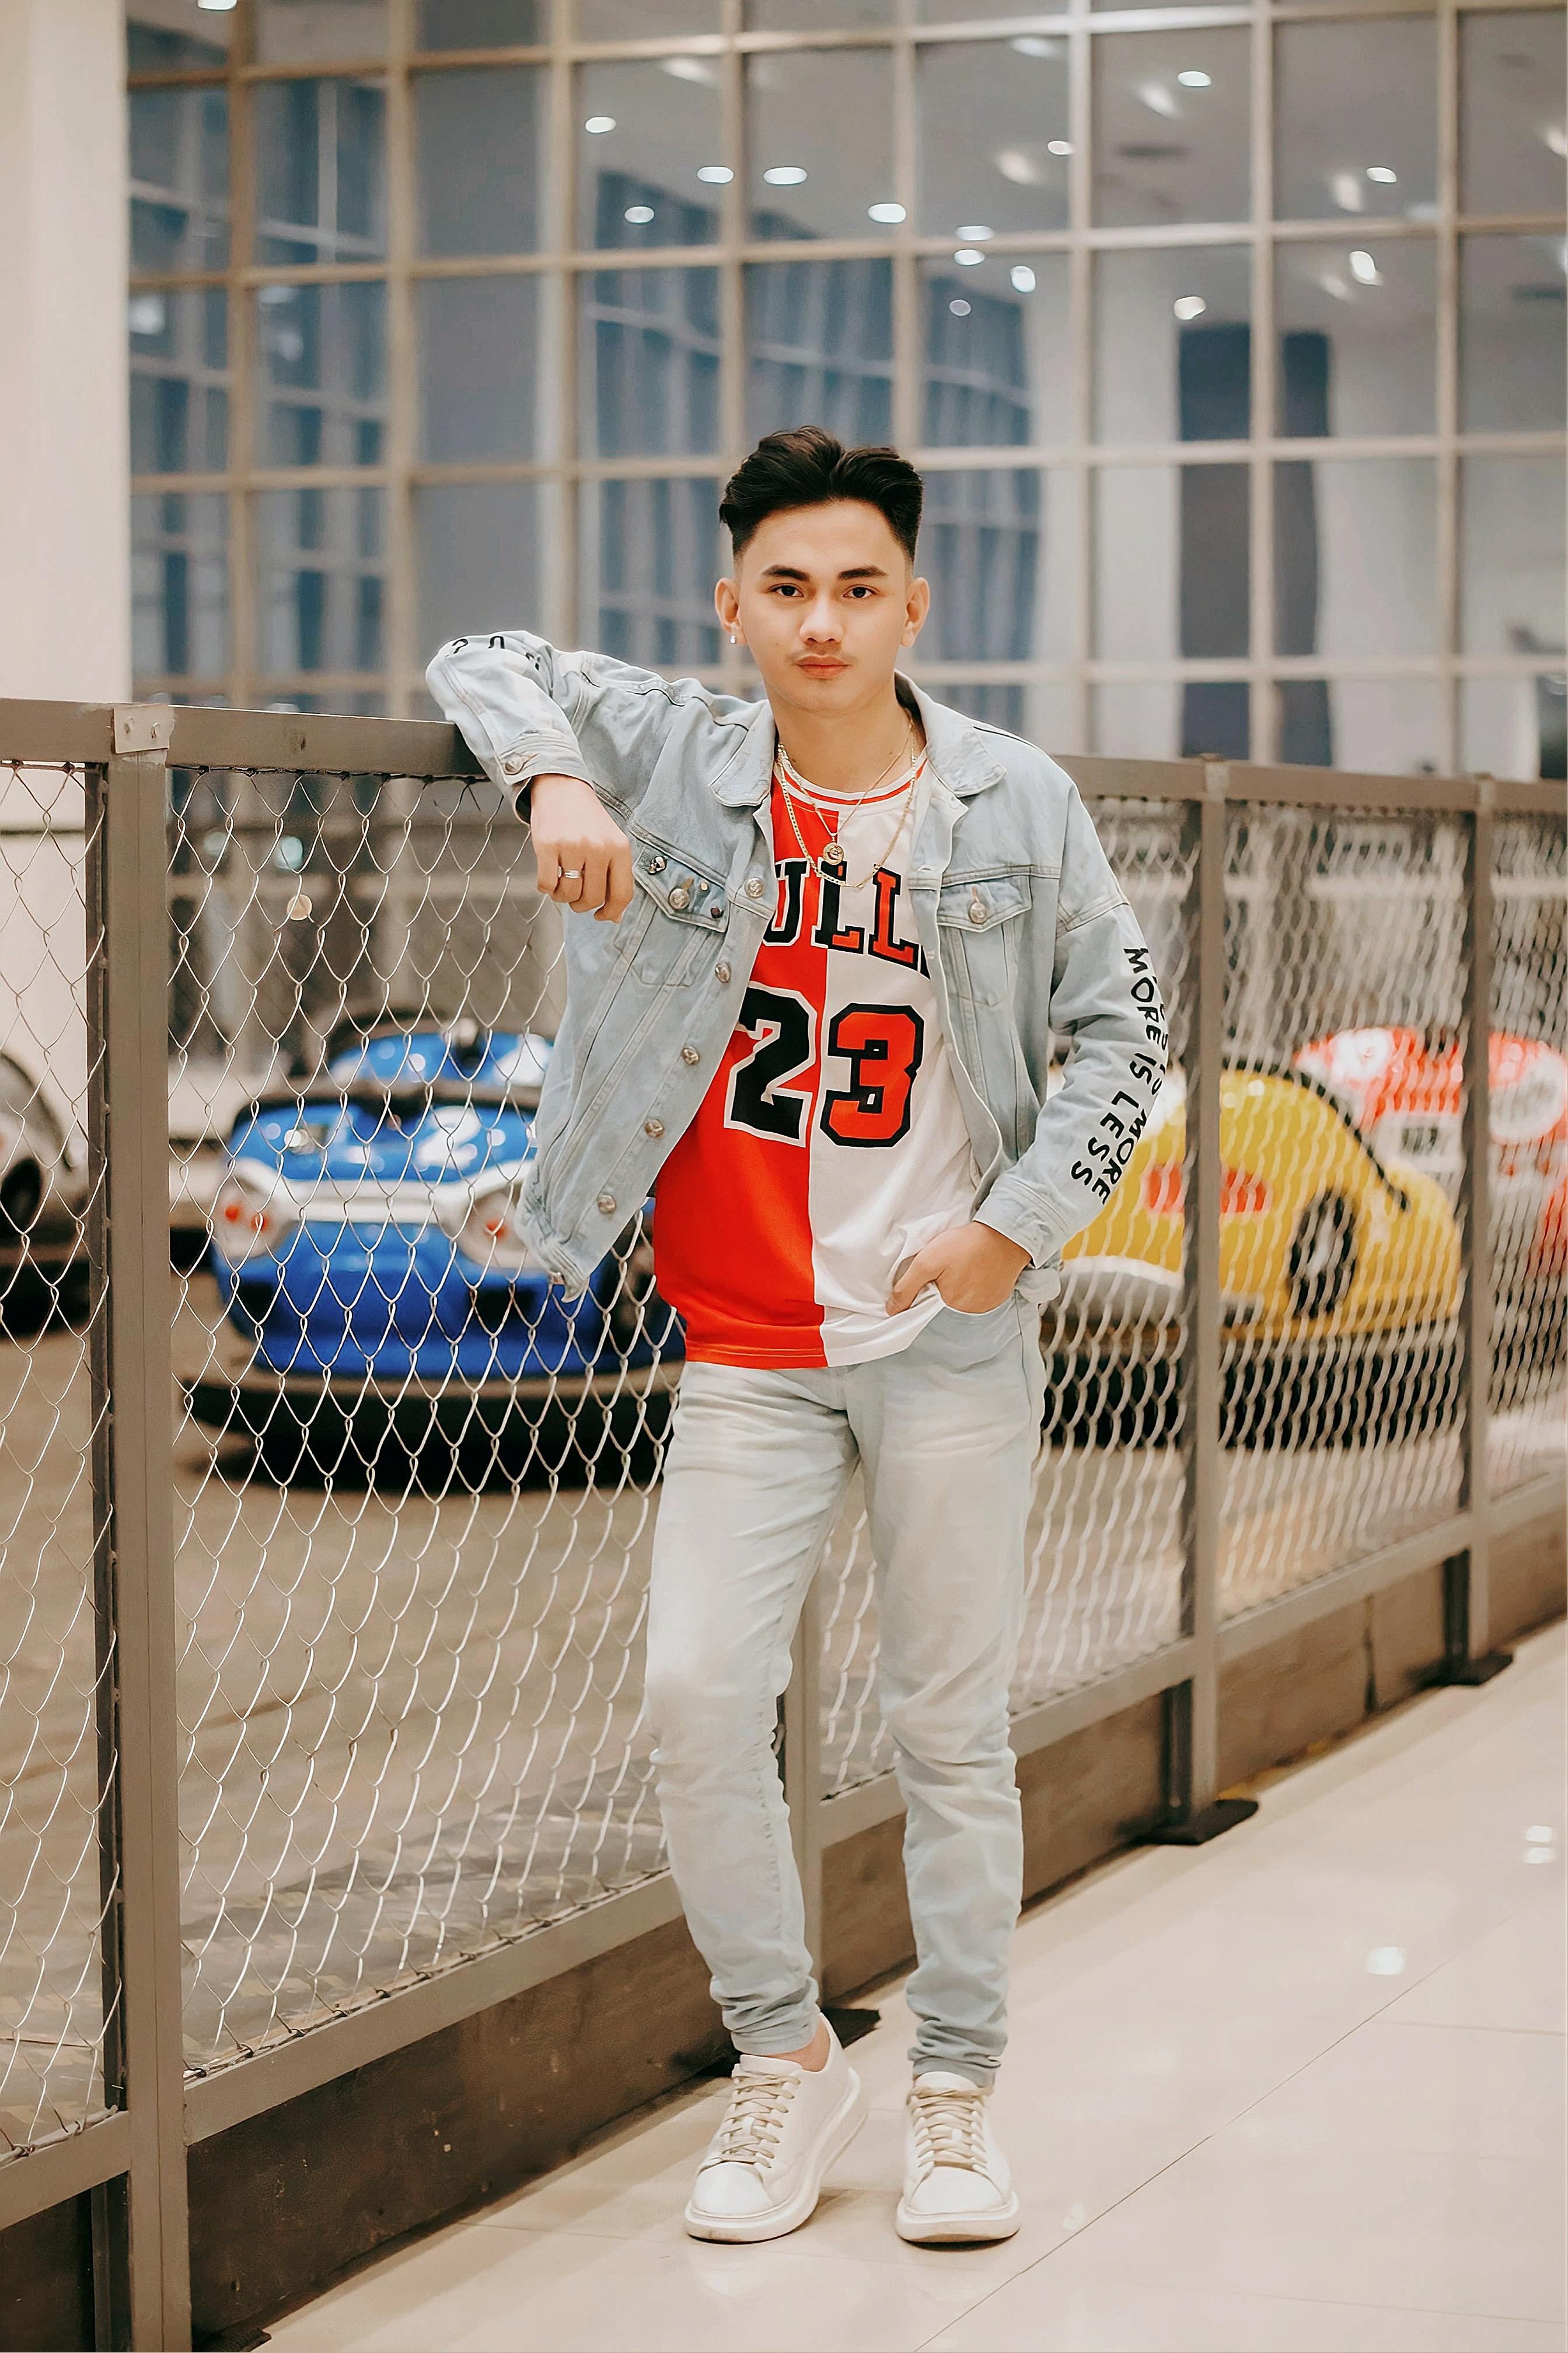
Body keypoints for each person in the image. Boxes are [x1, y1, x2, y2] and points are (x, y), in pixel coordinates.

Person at [427, 427, 1167, 2249]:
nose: (821, 623)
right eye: (785, 590)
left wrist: (1013, 1227)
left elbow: (1124, 1028)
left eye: (857, 590)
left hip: (943, 1347)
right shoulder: (675, 750)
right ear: (729, 602)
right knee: (696, 1699)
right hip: (745, 1344)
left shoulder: (1011, 800)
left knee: (946, 1729)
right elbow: (477, 657)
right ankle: (785, 2055)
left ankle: (956, 2095)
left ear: (915, 602)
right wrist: (547, 786)